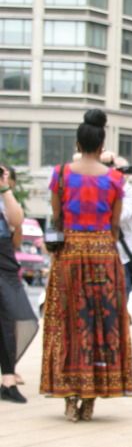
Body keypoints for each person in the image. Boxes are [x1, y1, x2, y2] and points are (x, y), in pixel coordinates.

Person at [40, 110, 132, 421]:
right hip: (104, 254)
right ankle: (92, 396)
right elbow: (115, 223)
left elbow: (56, 218)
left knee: (67, 323)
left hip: (69, 254)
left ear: (78, 143)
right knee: (100, 323)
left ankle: (69, 396)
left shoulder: (61, 174)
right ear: (101, 142)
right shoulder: (116, 179)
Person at [0, 164, 38, 403]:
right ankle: (9, 377)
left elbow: (17, 221)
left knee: (15, 315)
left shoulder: (5, 196)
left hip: (5, 259)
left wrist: (5, 187)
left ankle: (9, 376)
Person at [101, 152, 132, 298]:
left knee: (118, 313)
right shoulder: (100, 189)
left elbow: (119, 216)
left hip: (120, 259)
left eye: (120, 169)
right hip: (98, 257)